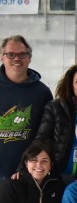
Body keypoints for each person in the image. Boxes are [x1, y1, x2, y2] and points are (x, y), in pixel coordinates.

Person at [0, 35, 53, 180]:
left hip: (28, 174)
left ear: (29, 58)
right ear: (2, 57)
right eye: (10, 54)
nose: (17, 59)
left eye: (22, 54)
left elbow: (46, 135)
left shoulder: (42, 92)